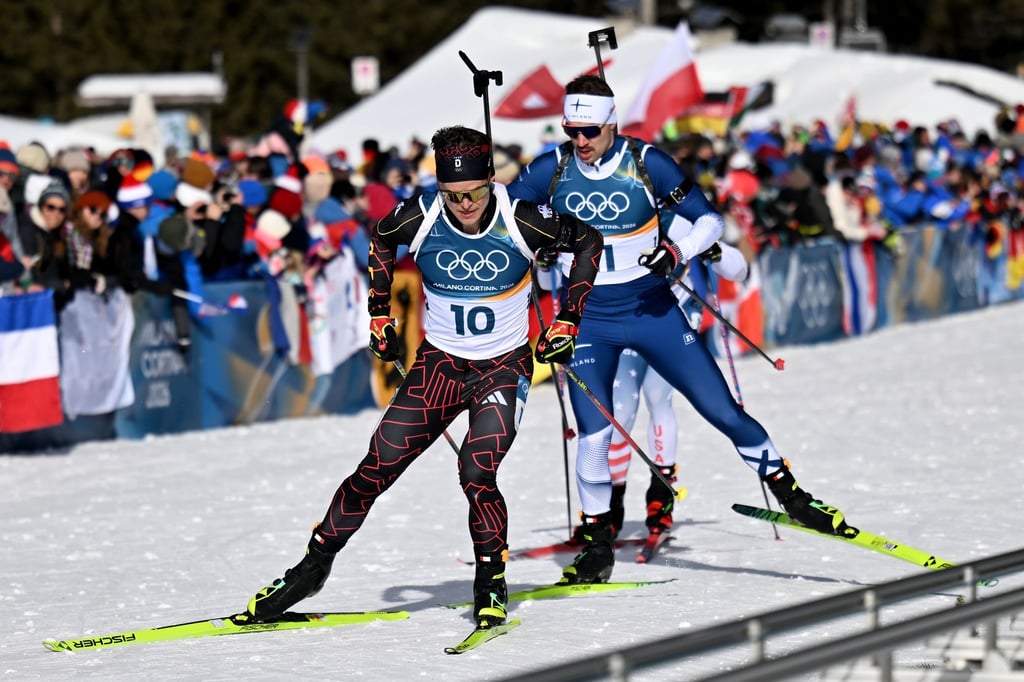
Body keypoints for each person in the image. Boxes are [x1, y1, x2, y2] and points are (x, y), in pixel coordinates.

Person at [244, 125, 604, 629]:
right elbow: (381, 240)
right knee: (377, 464)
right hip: (438, 366)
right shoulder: (422, 212)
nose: (465, 205)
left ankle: (490, 581)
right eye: (454, 195)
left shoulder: (523, 218)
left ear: (490, 182)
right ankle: (311, 567)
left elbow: (589, 241)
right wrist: (378, 314)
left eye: (475, 193)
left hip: (501, 368)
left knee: (477, 472)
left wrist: (568, 319)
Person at [506, 74, 850, 585]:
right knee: (592, 436)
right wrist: (537, 242)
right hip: (588, 318)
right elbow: (504, 217)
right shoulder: (550, 169)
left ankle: (793, 496)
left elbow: (708, 221)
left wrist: (678, 250)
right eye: (572, 129)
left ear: (611, 124)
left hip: (652, 310)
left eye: (590, 131)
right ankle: (597, 545)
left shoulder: (647, 163)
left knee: (721, 410)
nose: (580, 141)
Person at [604, 235, 750, 542]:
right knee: (620, 412)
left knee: (659, 397)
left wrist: (716, 250)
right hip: (626, 316)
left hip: (676, 314)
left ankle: (660, 497)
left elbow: (739, 271)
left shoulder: (683, 211)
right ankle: (610, 506)